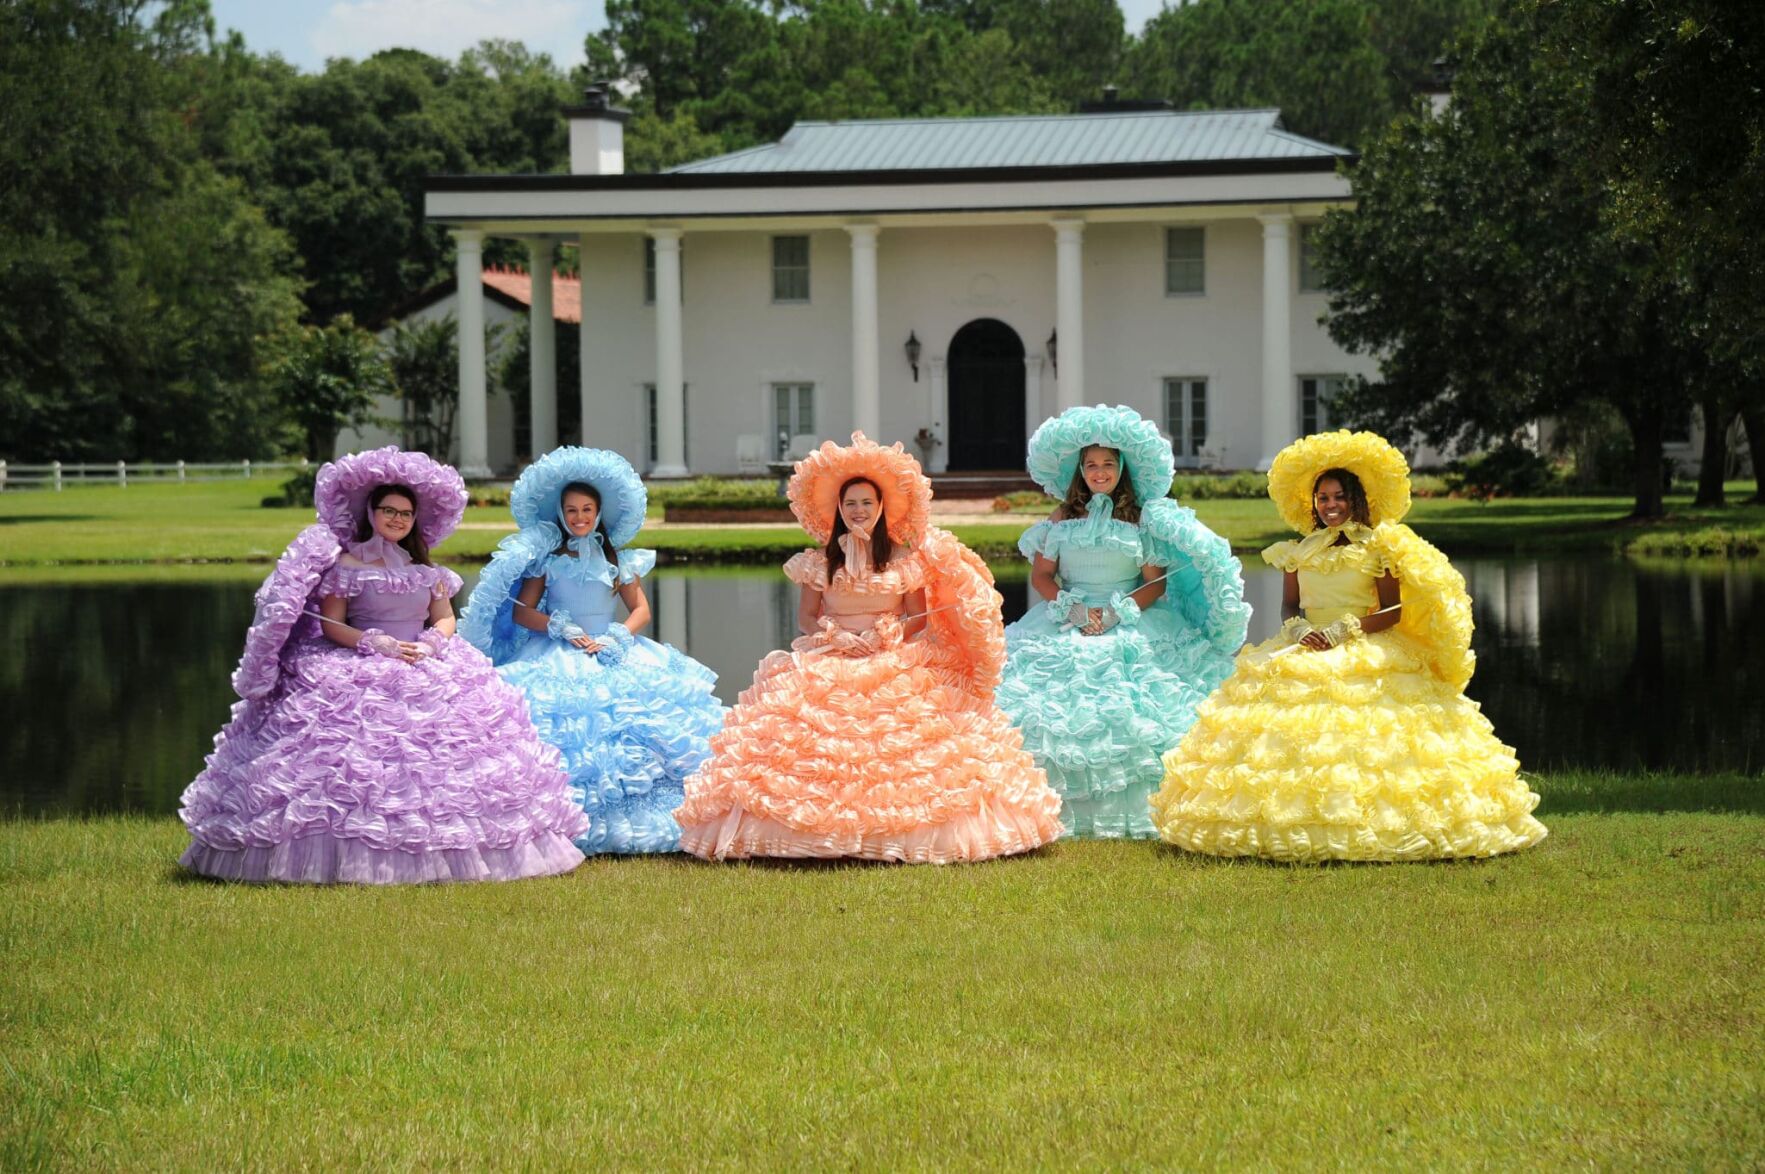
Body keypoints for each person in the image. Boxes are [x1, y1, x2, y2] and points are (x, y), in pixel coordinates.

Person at [179, 447, 589, 883]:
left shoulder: (425, 569)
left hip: (424, 657)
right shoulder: (347, 566)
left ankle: (451, 850)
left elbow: (446, 617)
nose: (397, 519)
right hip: (361, 657)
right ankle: (335, 854)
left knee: (452, 757)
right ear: (370, 512)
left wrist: (432, 644)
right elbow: (331, 625)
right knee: (355, 760)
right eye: (388, 510)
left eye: (406, 513)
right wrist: (375, 642)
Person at [1150, 430, 1548, 862]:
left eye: (1338, 496)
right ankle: (1291, 821)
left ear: (1355, 499)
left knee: (1370, 744)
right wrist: (1300, 629)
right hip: (1305, 642)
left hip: (1365, 641)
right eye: (1322, 498)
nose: (1330, 505)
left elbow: (1392, 611)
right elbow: (1289, 605)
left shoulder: (1378, 548)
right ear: (1313, 504)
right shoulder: (1298, 551)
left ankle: (1370, 825)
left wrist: (1346, 629)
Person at [675, 433, 1064, 863]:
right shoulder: (820, 560)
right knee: (803, 738)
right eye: (850, 504)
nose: (858, 511)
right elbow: (806, 615)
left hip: (891, 654)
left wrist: (886, 636)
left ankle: (901, 832)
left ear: (881, 508)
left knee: (913, 742)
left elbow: (917, 619)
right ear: (839, 510)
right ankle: (810, 832)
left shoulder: (901, 558)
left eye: (866, 503)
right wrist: (833, 635)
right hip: (833, 650)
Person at [996, 405, 1250, 837]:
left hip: (1129, 616)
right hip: (1065, 615)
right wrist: (1071, 609)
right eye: (1091, 465)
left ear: (1122, 469)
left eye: (1108, 465)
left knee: (1143, 708)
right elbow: (1041, 576)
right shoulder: (1061, 520)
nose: (1099, 472)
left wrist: (1117, 611)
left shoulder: (1139, 521)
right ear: (1080, 470)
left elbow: (1154, 584)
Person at [459, 447, 724, 855]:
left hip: (611, 646)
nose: (579, 518)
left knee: (638, 728)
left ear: (599, 513)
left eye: (586, 510)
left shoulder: (618, 558)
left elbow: (641, 610)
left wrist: (619, 636)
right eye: (571, 511)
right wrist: (557, 626)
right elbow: (522, 613)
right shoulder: (548, 560)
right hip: (557, 649)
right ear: (561, 515)